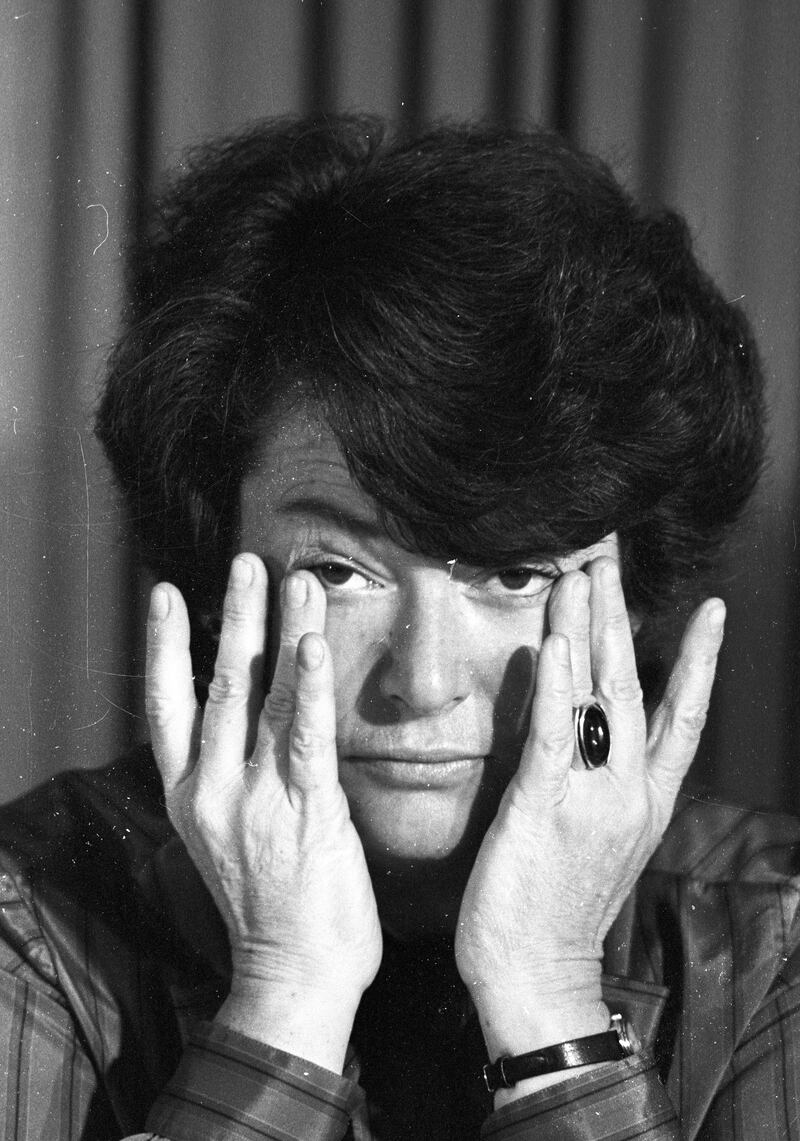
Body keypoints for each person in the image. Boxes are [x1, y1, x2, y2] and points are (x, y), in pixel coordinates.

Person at [0, 115, 796, 1141]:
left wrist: (549, 1001)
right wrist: (281, 1003)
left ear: (633, 586)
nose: (422, 681)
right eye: (339, 569)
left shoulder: (770, 937)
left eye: (512, 570)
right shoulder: (33, 917)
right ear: (215, 569)